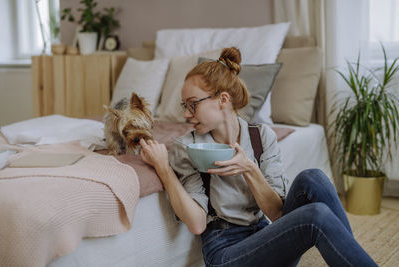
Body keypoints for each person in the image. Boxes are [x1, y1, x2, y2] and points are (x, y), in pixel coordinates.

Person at [139, 47, 377, 267]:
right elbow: (197, 224)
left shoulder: (261, 136)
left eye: (193, 105)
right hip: (225, 251)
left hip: (265, 235)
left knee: (313, 178)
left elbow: (277, 215)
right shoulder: (188, 147)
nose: (185, 114)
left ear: (223, 99)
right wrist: (163, 168)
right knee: (316, 216)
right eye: (184, 106)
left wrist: (249, 169)